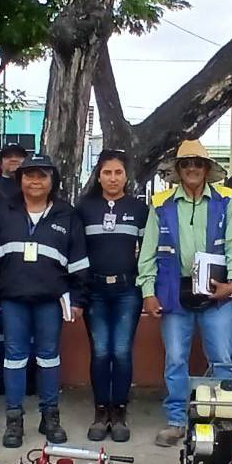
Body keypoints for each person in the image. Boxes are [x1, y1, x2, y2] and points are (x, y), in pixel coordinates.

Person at [0, 153, 89, 447]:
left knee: (49, 358)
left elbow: (79, 262)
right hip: (13, 301)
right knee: (14, 359)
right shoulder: (3, 211)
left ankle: (50, 416)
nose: (35, 181)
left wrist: (78, 300)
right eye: (29, 175)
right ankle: (14, 419)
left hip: (51, 301)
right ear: (20, 179)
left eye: (42, 175)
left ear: (52, 181)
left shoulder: (66, 214)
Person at [139, 139, 232, 447]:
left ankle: (221, 419)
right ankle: (177, 421)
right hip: (174, 290)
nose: (192, 168)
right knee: (175, 359)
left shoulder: (226, 199)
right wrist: (148, 291)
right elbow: (148, 250)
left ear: (206, 168)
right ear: (178, 169)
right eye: (185, 163)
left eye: (197, 163)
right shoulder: (161, 203)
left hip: (216, 291)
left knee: (222, 359)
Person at [77, 150, 149, 442]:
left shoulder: (139, 209)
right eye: (107, 172)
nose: (113, 178)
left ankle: (118, 412)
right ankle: (100, 412)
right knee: (100, 351)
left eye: (118, 172)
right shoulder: (84, 208)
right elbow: (77, 252)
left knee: (120, 351)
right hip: (94, 291)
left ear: (126, 176)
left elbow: (147, 252)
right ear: (98, 176)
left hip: (127, 291)